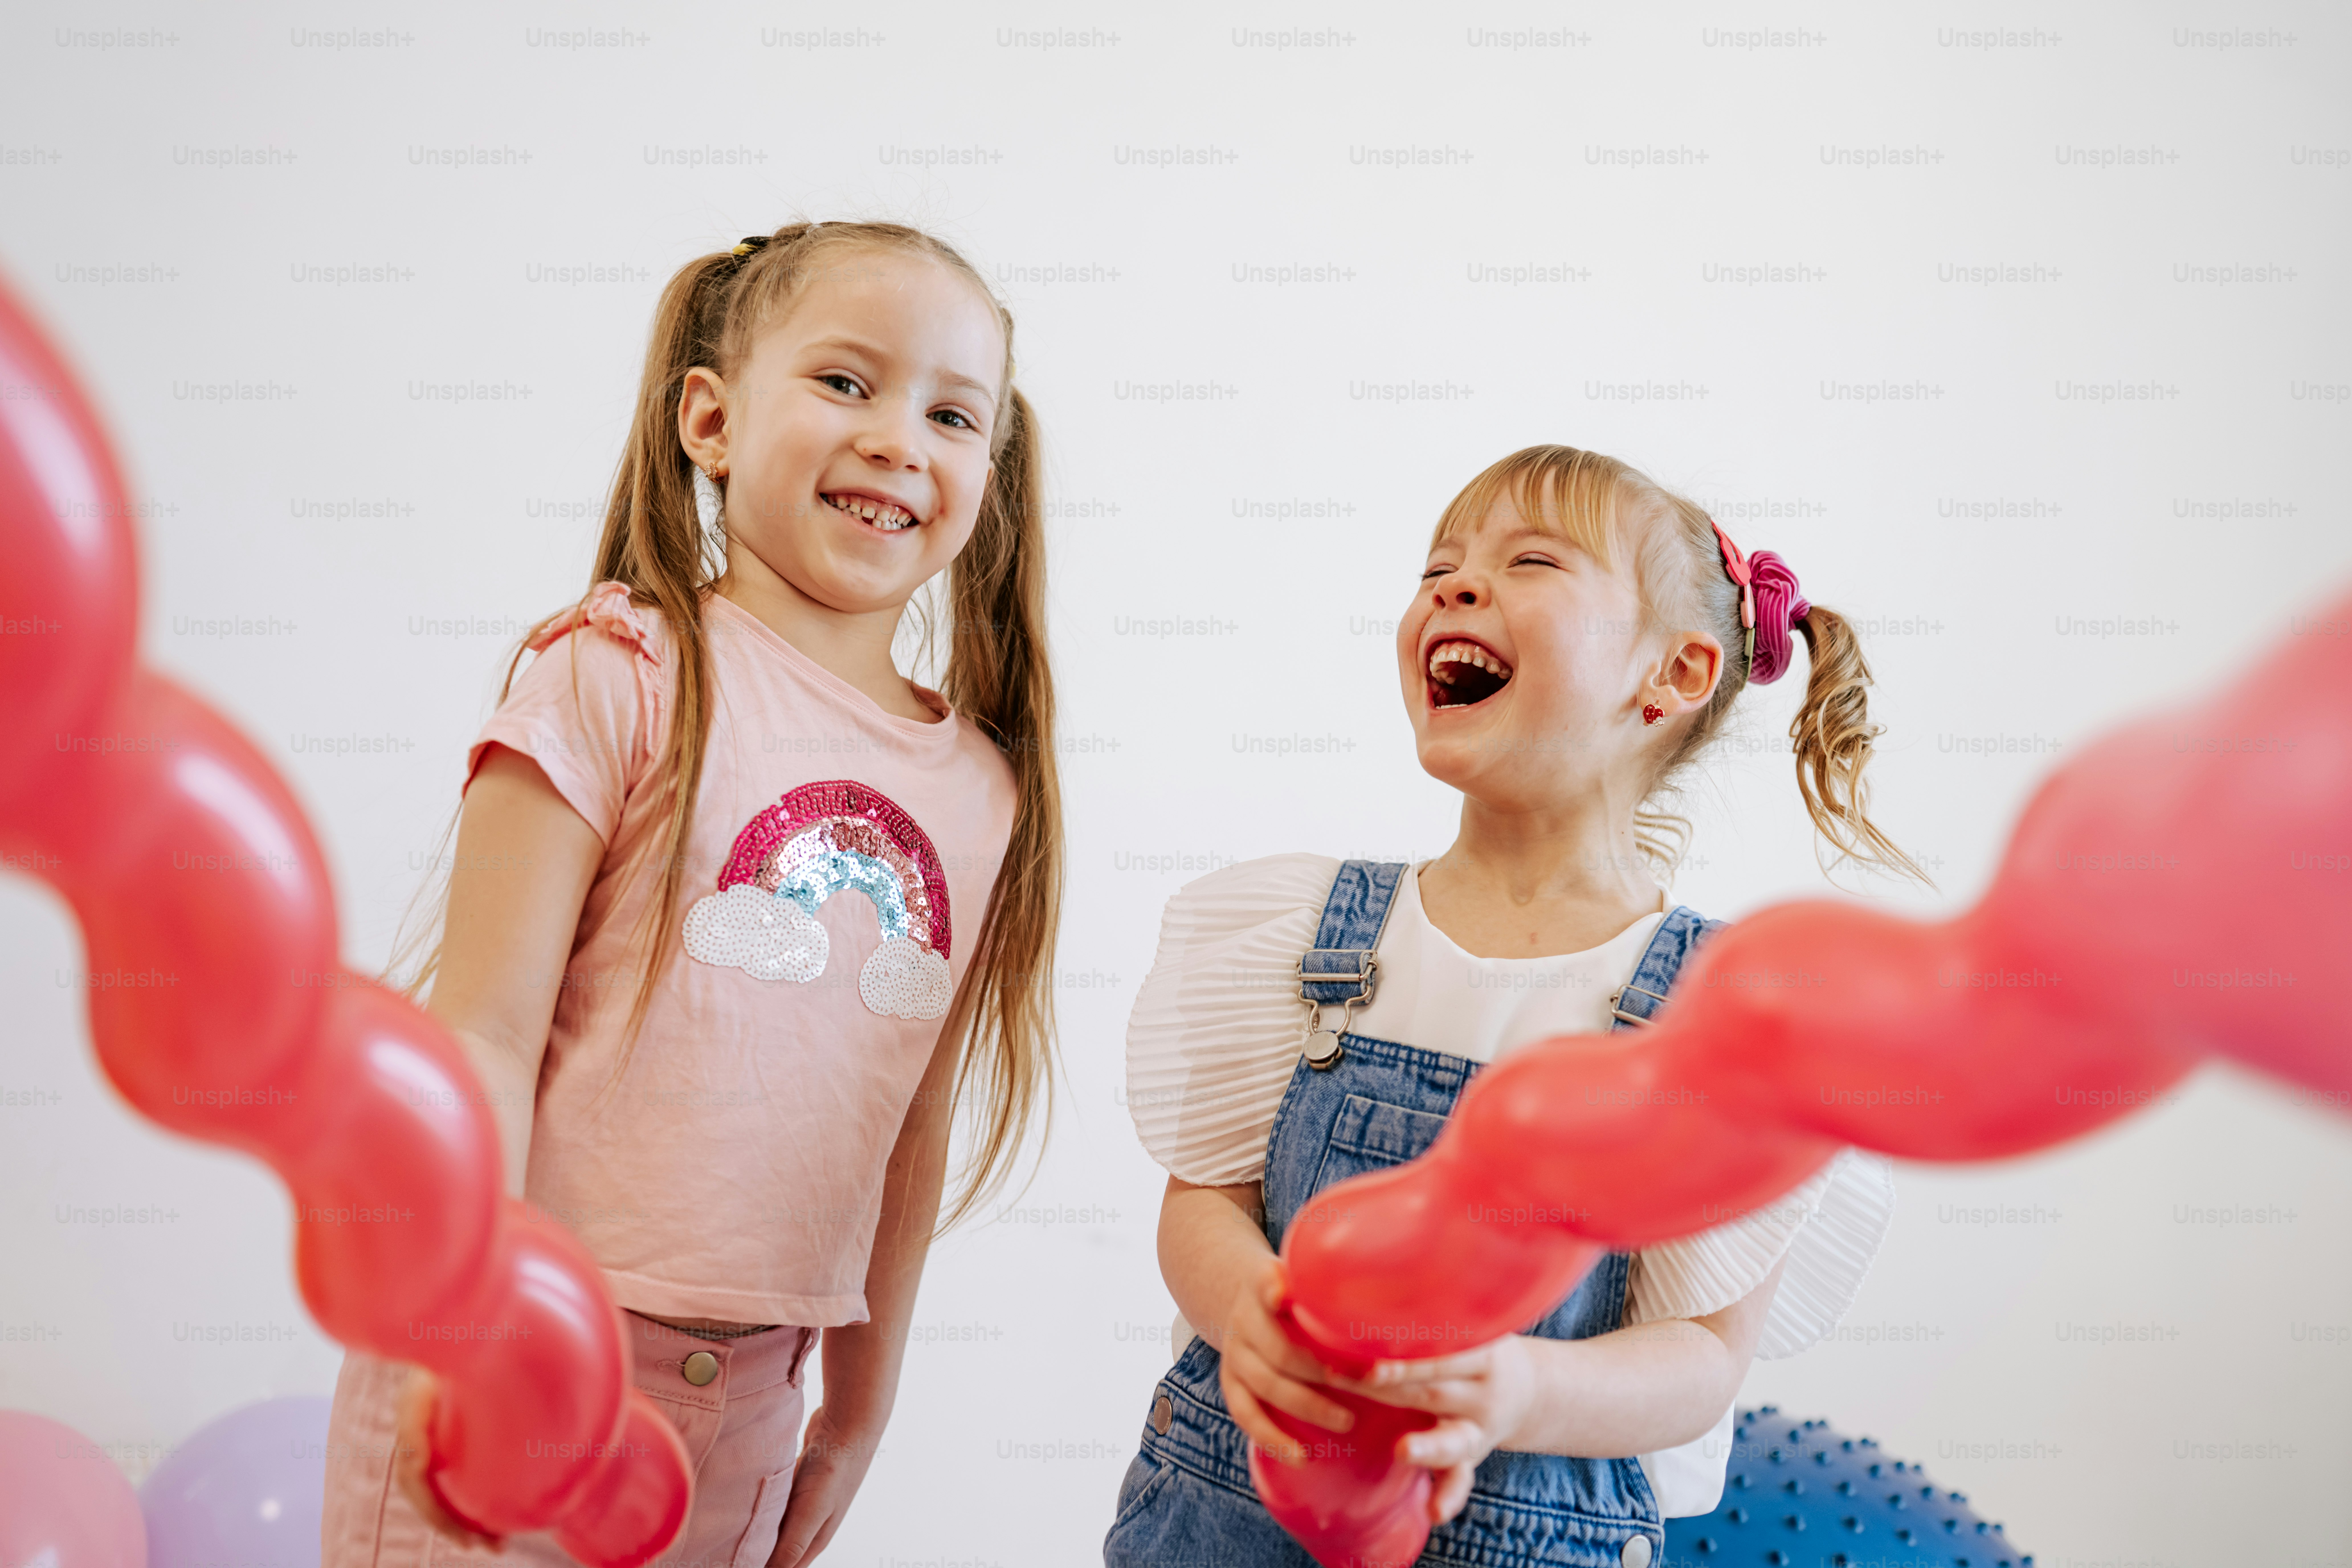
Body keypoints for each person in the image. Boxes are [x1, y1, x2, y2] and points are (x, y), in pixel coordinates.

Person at [319, 220, 1061, 1568]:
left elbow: (909, 1123)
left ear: (989, 475)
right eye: (847, 382)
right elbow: (478, 1033)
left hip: (755, 1408)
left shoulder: (982, 792)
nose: (902, 437)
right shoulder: (621, 672)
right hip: (523, 1351)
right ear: (710, 420)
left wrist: (862, 1405)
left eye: (955, 412)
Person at [1108, 445, 1922, 1566]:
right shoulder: (1309, 937)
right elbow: (1205, 1198)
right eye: (1438, 564)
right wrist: (1251, 1305)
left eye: (1528, 560)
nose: (1451, 584)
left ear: (1674, 676)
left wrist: (1523, 1385)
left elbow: (1702, 1358)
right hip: (1233, 1500)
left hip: (1532, 1531)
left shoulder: (1716, 1022)